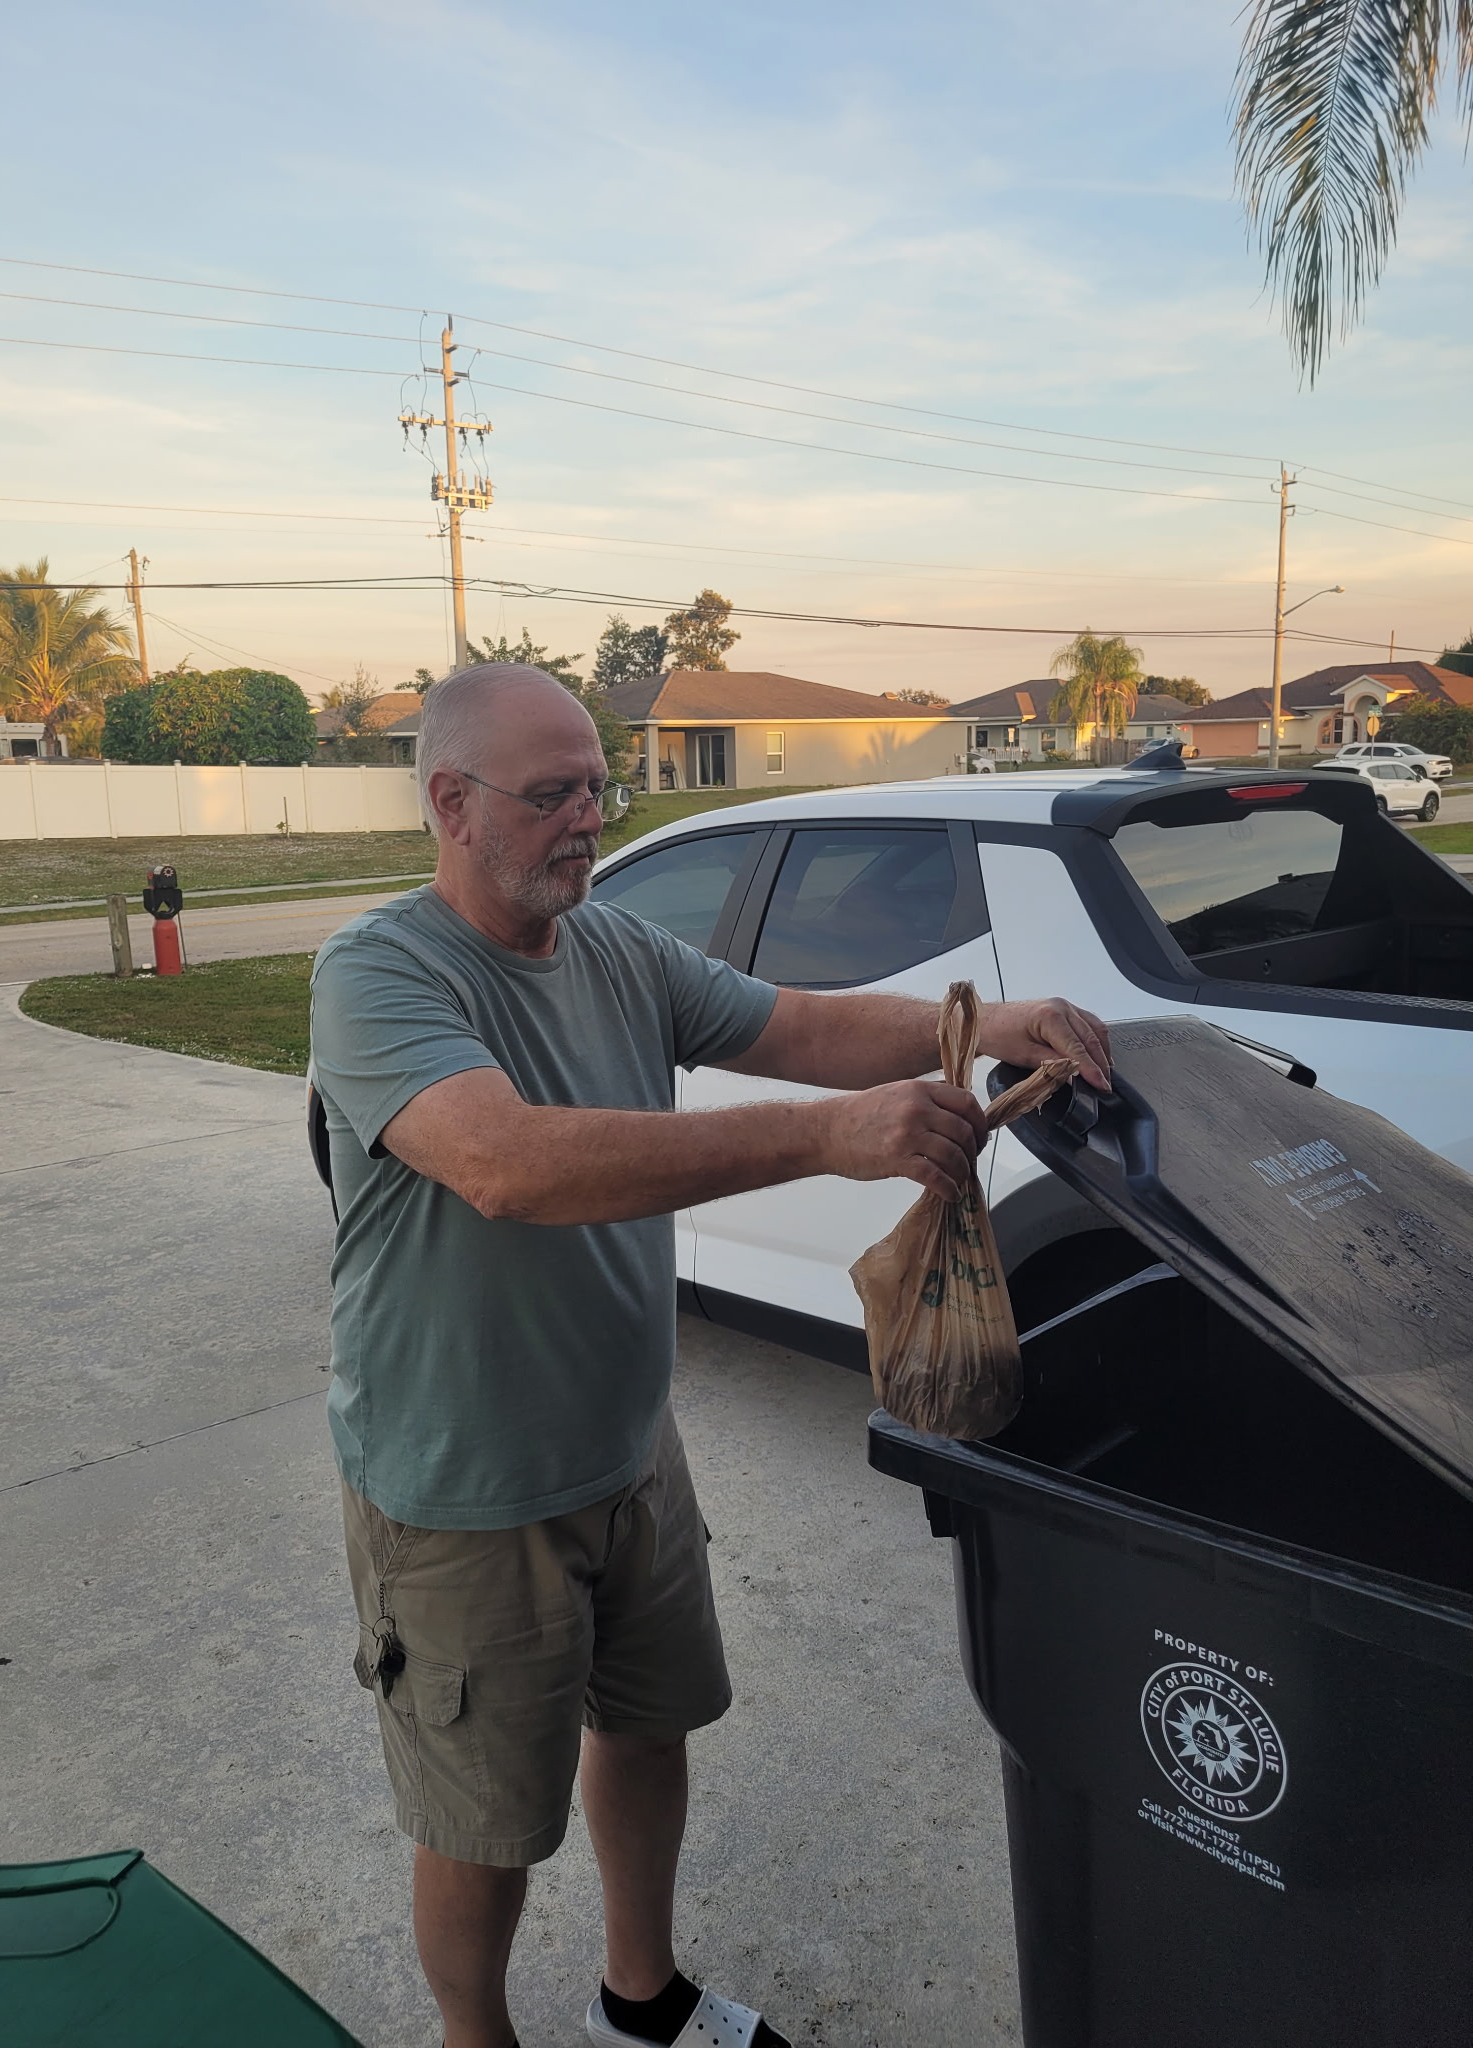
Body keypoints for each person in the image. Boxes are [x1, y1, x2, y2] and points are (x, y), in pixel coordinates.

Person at [309, 664, 1111, 2048]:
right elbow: (506, 1163)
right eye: (552, 794)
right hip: (462, 1484)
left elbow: (795, 1024)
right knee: (485, 1819)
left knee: (649, 1721)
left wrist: (984, 1026)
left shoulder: (615, 948)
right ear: (451, 803)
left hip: (627, 1444)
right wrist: (823, 1138)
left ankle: (644, 1995)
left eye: (597, 787)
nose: (589, 819)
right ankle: (472, 2036)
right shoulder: (381, 973)